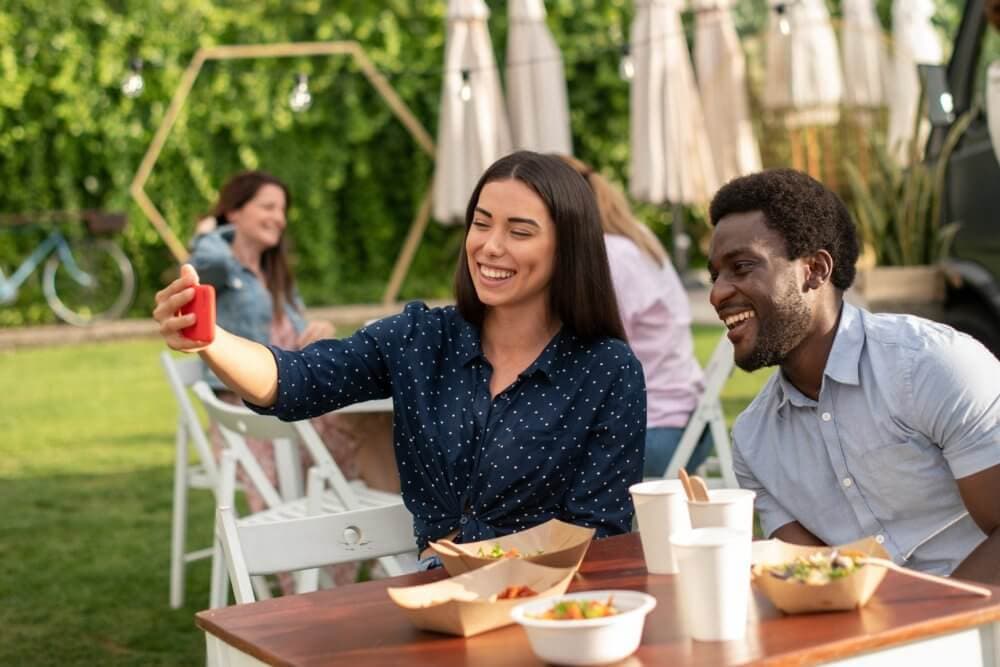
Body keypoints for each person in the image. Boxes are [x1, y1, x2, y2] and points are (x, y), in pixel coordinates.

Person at [155, 152, 646, 566]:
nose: (490, 246)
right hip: (439, 600)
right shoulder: (421, 338)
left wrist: (478, 560)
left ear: (568, 248)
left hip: (555, 604)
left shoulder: (607, 369)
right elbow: (295, 380)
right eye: (481, 223)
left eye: (520, 232)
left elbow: (599, 527)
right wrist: (211, 339)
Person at [707, 168, 1000, 583]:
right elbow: (818, 582)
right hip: (867, 634)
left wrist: (925, 632)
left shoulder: (931, 367)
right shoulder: (755, 444)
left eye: (741, 266)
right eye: (715, 275)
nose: (717, 293)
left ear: (815, 270)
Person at [189, 171, 393, 585]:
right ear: (234, 212)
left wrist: (317, 327)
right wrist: (212, 231)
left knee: (380, 424)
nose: (279, 218)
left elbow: (300, 328)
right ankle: (341, 567)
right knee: (366, 428)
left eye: (282, 209)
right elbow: (203, 260)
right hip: (250, 409)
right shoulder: (219, 269)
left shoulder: (275, 272)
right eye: (267, 206)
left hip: (295, 395)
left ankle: (385, 547)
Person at [560, 155, 711, 477]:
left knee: (525, 445)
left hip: (658, 435)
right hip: (687, 422)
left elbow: (595, 359)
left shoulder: (608, 257)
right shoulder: (633, 237)